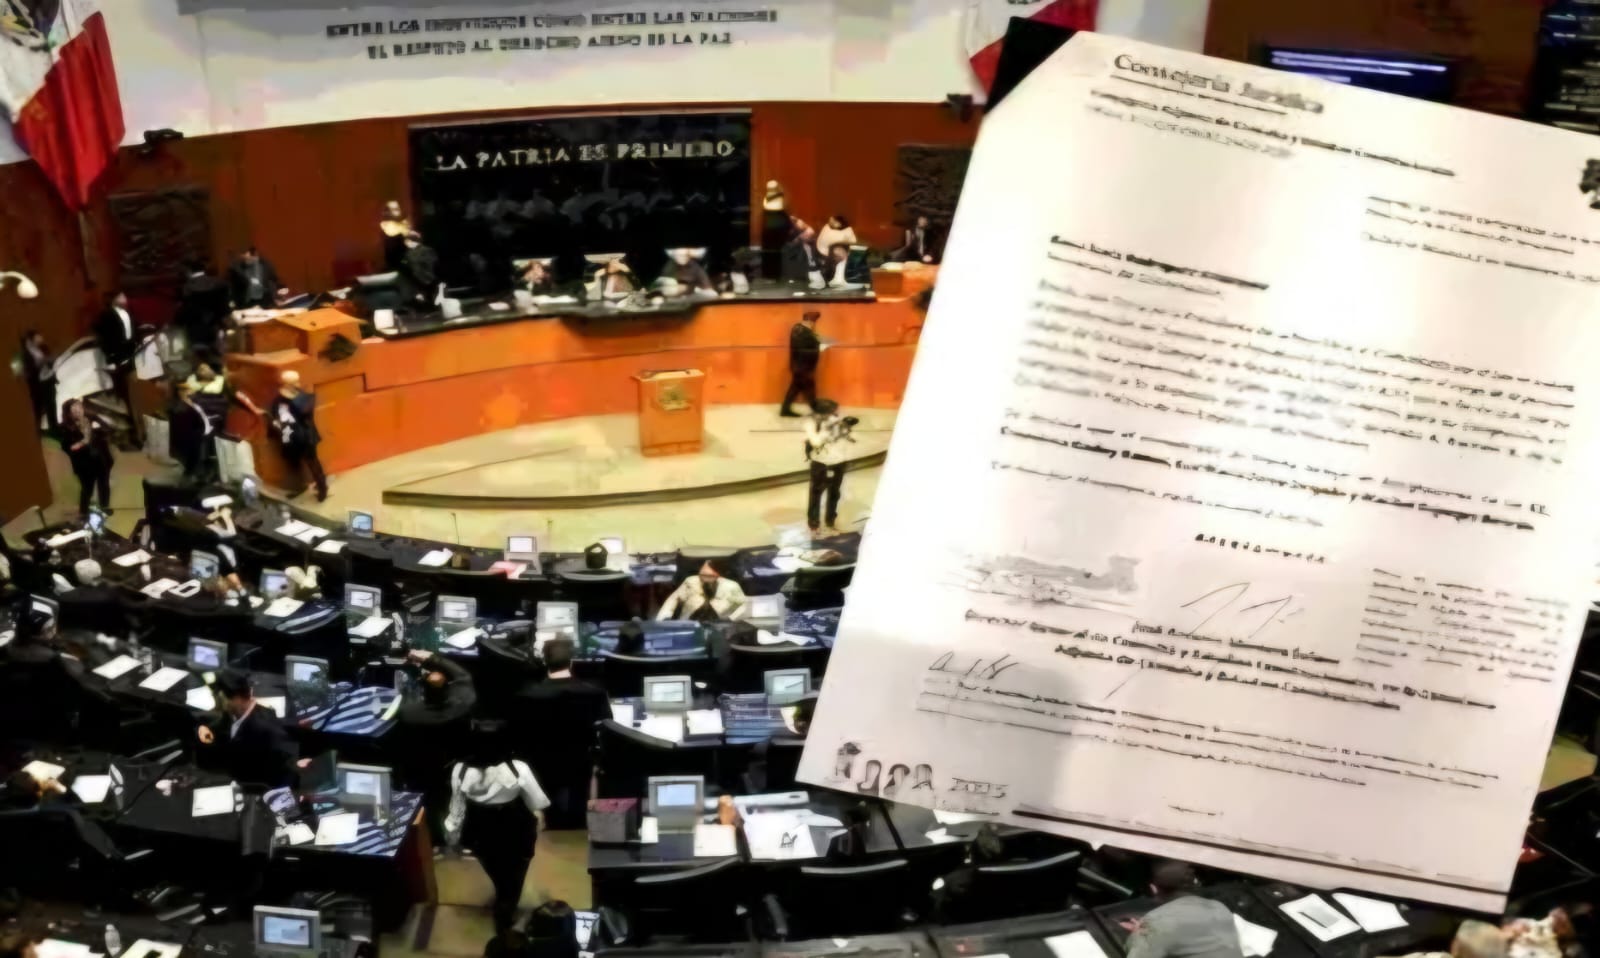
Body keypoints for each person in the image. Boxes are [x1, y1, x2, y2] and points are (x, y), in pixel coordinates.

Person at [444, 720, 550, 934]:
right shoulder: (517, 768)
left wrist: (452, 832)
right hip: (515, 827)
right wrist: (539, 818)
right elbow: (537, 802)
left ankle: (503, 897)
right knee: (516, 873)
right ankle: (505, 910)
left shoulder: (460, 770)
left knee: (496, 870)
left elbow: (457, 808)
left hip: (479, 829)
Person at [516, 637, 609, 828]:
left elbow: (521, 736)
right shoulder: (594, 693)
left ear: (544, 661)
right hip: (582, 760)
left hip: (541, 762)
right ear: (571, 661)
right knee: (578, 806)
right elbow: (606, 728)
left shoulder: (526, 696)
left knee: (551, 809)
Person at [195, 669, 298, 790]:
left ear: (235, 697)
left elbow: (280, 776)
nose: (215, 698)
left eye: (218, 694)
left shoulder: (268, 730)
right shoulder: (228, 717)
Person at [1121, 860, 1242, 958]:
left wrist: (1138, 936)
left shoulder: (1158, 922)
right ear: (1194, 883)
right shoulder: (1218, 907)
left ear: (1154, 889)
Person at [268, 370, 327, 501]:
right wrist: (277, 422)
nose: (298, 384)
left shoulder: (302, 397)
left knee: (313, 462)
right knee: (294, 464)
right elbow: (275, 412)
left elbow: (305, 415)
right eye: (294, 382)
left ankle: (322, 488)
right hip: (290, 435)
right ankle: (300, 487)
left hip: (304, 435)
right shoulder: (279, 399)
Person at [92, 290, 141, 445]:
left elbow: (133, 333)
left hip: (130, 358)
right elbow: (104, 339)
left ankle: (134, 428)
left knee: (133, 393)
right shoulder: (106, 316)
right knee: (122, 396)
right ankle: (129, 431)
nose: (124, 298)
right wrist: (111, 359)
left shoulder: (128, 314)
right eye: (121, 296)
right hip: (117, 360)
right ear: (114, 299)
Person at [804, 399, 853, 535]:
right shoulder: (811, 423)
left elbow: (844, 438)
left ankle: (830, 523)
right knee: (816, 495)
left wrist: (844, 428)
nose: (835, 414)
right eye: (833, 412)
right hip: (821, 463)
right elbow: (815, 442)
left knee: (834, 494)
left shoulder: (836, 421)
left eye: (835, 411)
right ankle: (814, 526)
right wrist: (827, 431)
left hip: (838, 462)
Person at [59, 398, 114, 517]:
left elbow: (107, 429)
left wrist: (98, 431)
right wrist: (81, 444)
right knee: (87, 488)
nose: (78, 411)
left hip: (101, 458)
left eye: (79, 407)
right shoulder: (65, 428)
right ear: (68, 414)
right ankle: (84, 511)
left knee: (104, 484)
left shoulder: (92, 417)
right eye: (74, 410)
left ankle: (104, 507)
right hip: (84, 463)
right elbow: (66, 447)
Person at [657, 559, 748, 622]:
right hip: (690, 621)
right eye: (703, 576)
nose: (705, 579)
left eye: (709, 577)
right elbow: (674, 599)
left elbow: (743, 604)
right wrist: (664, 617)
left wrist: (731, 618)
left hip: (719, 622)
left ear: (717, 576)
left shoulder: (731, 586)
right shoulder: (691, 581)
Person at [175, 261, 231, 358]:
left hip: (196, 330)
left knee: (201, 358)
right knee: (220, 357)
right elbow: (225, 306)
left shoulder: (186, 287)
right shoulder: (220, 283)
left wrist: (178, 322)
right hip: (217, 326)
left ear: (188, 271)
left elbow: (185, 309)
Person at [169, 378, 214, 485]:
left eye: (188, 389)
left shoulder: (190, 404)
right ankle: (192, 477)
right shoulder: (180, 407)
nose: (188, 392)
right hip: (191, 439)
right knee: (197, 455)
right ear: (179, 392)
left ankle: (198, 474)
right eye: (184, 390)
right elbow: (186, 427)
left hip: (198, 436)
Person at [780, 310, 822, 417]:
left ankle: (785, 409)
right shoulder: (804, 333)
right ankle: (815, 407)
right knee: (809, 386)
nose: (814, 324)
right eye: (813, 322)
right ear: (809, 321)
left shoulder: (797, 329)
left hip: (798, 366)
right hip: (803, 367)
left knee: (795, 387)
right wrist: (817, 343)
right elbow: (806, 349)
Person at [19, 330, 56, 433]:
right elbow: (28, 370)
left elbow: (50, 360)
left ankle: (54, 428)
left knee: (51, 406)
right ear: (32, 339)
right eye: (38, 336)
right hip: (38, 384)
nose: (41, 338)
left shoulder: (43, 348)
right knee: (38, 408)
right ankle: (38, 430)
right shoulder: (26, 353)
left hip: (48, 379)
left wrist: (49, 361)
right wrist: (40, 364)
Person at [399, 230, 440, 310]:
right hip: (414, 279)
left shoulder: (427, 250)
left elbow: (431, 265)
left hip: (426, 279)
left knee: (429, 299)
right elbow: (406, 264)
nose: (405, 243)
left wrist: (426, 276)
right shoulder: (408, 253)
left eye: (407, 241)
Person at [760, 180, 791, 280]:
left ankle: (773, 273)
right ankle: (772, 273)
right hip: (772, 229)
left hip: (773, 229)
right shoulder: (772, 198)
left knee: (774, 252)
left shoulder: (777, 199)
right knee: (772, 252)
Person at [380, 200, 412, 272]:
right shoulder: (386, 224)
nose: (395, 211)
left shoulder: (404, 223)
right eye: (391, 209)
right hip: (394, 264)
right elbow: (394, 231)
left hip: (405, 262)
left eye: (397, 208)